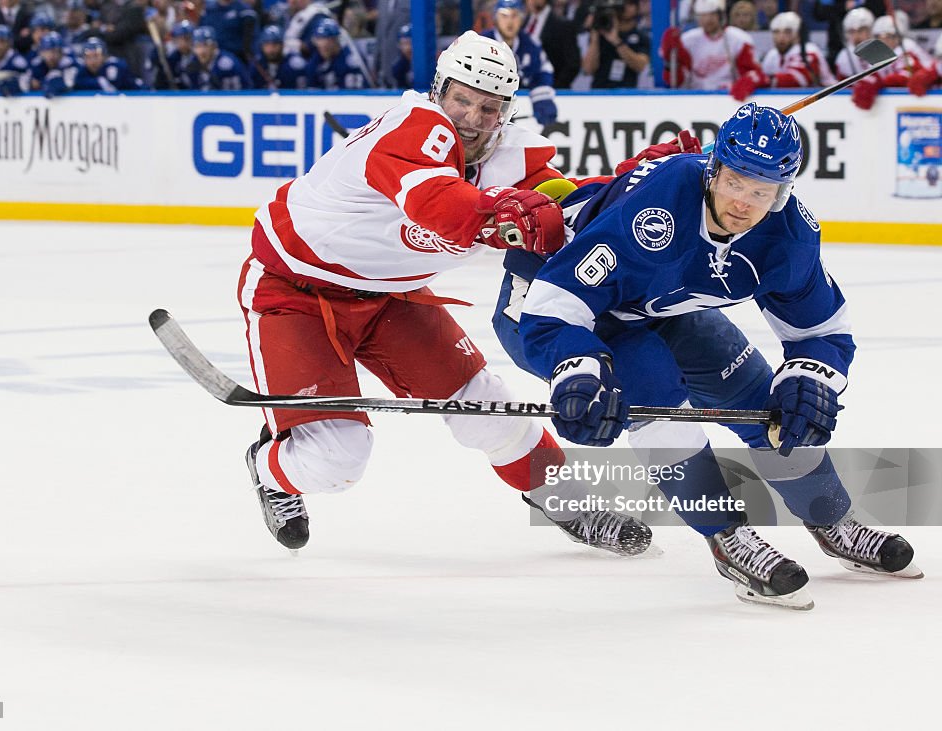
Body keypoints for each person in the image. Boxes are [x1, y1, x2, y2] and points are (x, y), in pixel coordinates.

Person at [237, 30, 652, 556]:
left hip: (392, 298)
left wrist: (644, 184)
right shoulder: (414, 127)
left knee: (486, 406)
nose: (473, 119)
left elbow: (575, 209)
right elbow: (438, 203)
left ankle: (562, 498)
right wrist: (496, 216)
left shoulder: (512, 153)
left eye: (489, 107)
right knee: (338, 459)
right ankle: (271, 469)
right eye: (462, 99)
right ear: (439, 91)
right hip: (296, 293)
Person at [515, 103, 923, 609]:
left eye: (761, 190)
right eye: (735, 182)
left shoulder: (788, 235)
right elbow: (553, 308)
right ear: (713, 168)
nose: (743, 203)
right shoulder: (656, 209)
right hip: (549, 300)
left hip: (658, 305)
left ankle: (831, 517)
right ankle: (727, 537)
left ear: (784, 191)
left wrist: (812, 376)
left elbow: (822, 330)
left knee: (768, 402)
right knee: (658, 398)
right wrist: (576, 368)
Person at [660, 0, 763, 90]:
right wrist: (670, 60)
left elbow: (753, 72)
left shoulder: (739, 39)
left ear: (721, 15)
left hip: (728, 96)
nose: (707, 19)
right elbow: (677, 81)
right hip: (695, 96)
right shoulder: (688, 40)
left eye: (712, 15)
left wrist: (746, 82)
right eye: (703, 15)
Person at [731, 11, 835, 101]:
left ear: (797, 34)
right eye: (776, 32)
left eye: (787, 32)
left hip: (827, 101)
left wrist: (766, 79)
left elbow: (799, 79)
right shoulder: (772, 55)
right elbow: (763, 76)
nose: (781, 37)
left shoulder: (809, 50)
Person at [484, 0, 558, 125]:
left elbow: (543, 70)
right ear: (495, 18)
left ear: (522, 18)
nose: (510, 22)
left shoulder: (530, 44)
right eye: (504, 15)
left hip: (515, 112)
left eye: (515, 15)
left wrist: (541, 97)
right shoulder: (482, 42)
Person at [851, 13, 934, 110]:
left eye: (888, 36)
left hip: (922, 100)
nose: (883, 40)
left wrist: (880, 82)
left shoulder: (907, 48)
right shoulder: (878, 53)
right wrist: (867, 82)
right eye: (879, 36)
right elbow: (873, 75)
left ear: (898, 37)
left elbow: (906, 77)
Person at [582, 0, 650, 89]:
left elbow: (640, 66)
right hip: (599, 92)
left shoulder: (641, 36)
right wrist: (594, 37)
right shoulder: (601, 33)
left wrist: (617, 41)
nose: (625, 7)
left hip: (627, 93)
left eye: (630, 4)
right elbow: (588, 69)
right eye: (623, 3)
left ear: (637, 7)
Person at [179, 24, 252, 90]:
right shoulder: (192, 64)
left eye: (206, 45)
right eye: (198, 46)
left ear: (214, 46)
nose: (202, 51)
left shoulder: (227, 64)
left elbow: (237, 93)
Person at [303, 17, 368, 90]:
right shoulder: (316, 60)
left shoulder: (350, 62)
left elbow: (352, 96)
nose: (322, 44)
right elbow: (311, 91)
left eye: (328, 41)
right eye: (318, 39)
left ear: (336, 40)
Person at [73, 36, 144, 90]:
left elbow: (112, 91)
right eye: (88, 57)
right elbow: (76, 83)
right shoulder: (82, 68)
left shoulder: (115, 66)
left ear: (105, 56)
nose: (92, 61)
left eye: (96, 56)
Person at [834, 6, 874, 80]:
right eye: (852, 32)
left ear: (870, 31)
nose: (856, 36)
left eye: (861, 30)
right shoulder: (843, 56)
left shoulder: (882, 51)